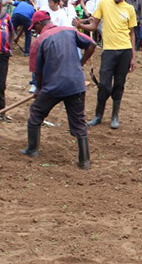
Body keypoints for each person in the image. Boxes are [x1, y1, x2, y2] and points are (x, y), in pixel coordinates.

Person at [23, 11, 96, 168]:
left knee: (36, 113)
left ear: (38, 24)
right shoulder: (69, 30)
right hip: (76, 84)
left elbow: (37, 71)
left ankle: (32, 150)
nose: (34, 31)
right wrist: (80, 63)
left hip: (54, 86)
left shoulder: (39, 41)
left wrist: (39, 89)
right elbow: (92, 44)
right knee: (79, 122)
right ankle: (85, 161)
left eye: (34, 27)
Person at [74, 0, 137, 129]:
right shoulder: (104, 4)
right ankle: (98, 115)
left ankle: (115, 116)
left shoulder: (129, 9)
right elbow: (94, 26)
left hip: (125, 51)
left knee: (119, 84)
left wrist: (133, 57)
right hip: (108, 50)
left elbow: (132, 34)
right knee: (104, 84)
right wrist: (80, 25)